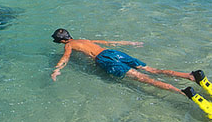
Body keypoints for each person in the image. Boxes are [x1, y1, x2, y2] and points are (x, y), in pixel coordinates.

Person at [50, 28, 202, 96]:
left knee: (144, 79)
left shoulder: (69, 45)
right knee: (151, 70)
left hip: (105, 59)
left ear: (62, 41)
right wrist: (129, 43)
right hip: (111, 52)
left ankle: (182, 92)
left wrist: (57, 70)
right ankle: (190, 75)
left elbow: (66, 57)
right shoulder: (83, 40)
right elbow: (107, 42)